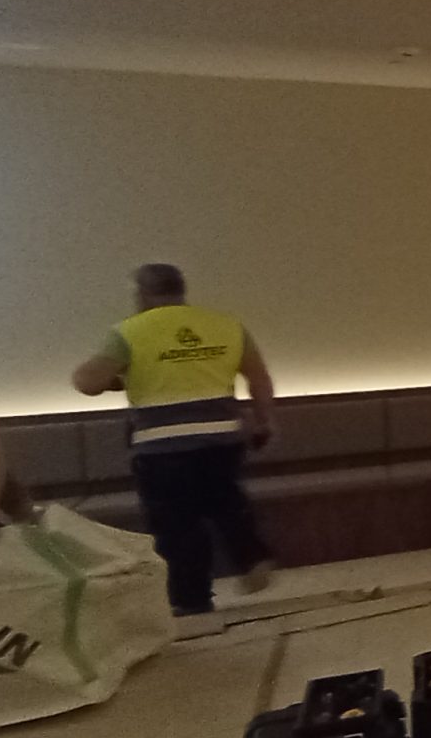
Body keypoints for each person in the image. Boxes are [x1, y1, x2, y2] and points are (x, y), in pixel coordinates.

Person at [71, 264, 277, 619]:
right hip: (222, 438)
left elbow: (88, 383)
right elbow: (259, 378)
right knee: (227, 502)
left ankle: (191, 600)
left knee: (177, 526)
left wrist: (121, 377)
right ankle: (252, 557)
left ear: (142, 294)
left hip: (162, 445)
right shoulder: (226, 325)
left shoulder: (130, 331)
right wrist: (264, 421)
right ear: (181, 290)